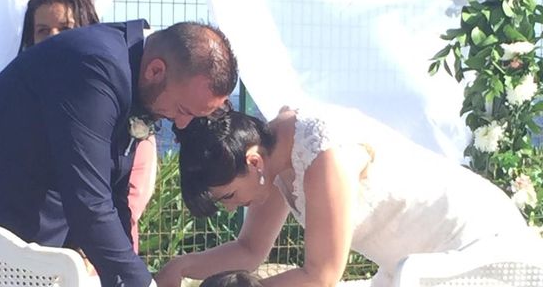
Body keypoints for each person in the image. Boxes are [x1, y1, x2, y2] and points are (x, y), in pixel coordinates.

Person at [0, 19, 238, 287]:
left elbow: (113, 197)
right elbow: (89, 204)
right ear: (156, 71)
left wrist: (130, 274)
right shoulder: (95, 67)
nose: (181, 123)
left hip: (11, 248)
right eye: (182, 109)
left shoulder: (133, 72)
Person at [156, 105, 534, 287]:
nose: (232, 206)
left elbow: (321, 276)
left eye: (229, 196)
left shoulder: (324, 154)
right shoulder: (271, 160)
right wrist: (178, 269)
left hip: (466, 244)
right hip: (409, 262)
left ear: (252, 161)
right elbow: (250, 250)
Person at [18, 0, 157, 254]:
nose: (54, 38)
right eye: (43, 31)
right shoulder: (20, 105)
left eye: (66, 29)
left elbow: (129, 196)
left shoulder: (123, 111)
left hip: (95, 255)